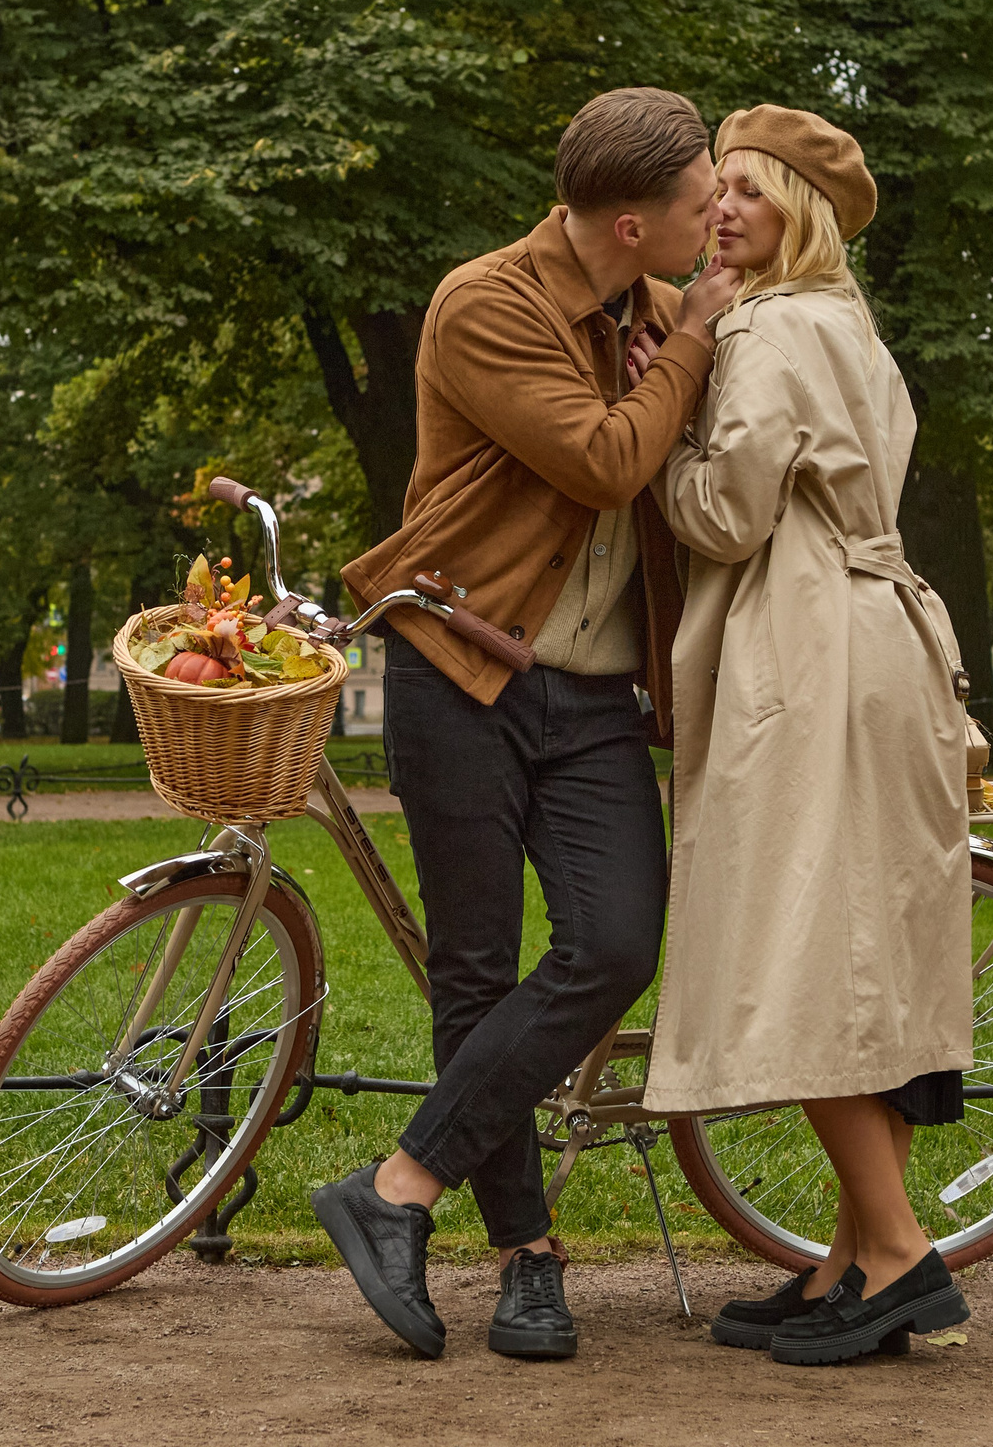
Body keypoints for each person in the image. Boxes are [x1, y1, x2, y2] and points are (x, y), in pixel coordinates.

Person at [310, 88, 741, 1362]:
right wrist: (701, 345)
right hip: (464, 671)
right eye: (700, 194)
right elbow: (607, 463)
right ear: (627, 219)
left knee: (613, 944)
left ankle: (393, 1190)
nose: (717, 209)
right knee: (476, 969)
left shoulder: (662, 308)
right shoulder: (487, 303)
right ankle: (527, 1258)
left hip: (599, 691)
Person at [645, 106, 975, 1366]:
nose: (721, 210)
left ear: (800, 214)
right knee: (860, 948)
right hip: (882, 643)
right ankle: (849, 1258)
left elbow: (727, 514)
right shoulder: (855, 332)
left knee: (799, 943)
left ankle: (898, 1257)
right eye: (713, 191)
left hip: (809, 651)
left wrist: (655, 452)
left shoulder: (771, 330)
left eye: (750, 193)